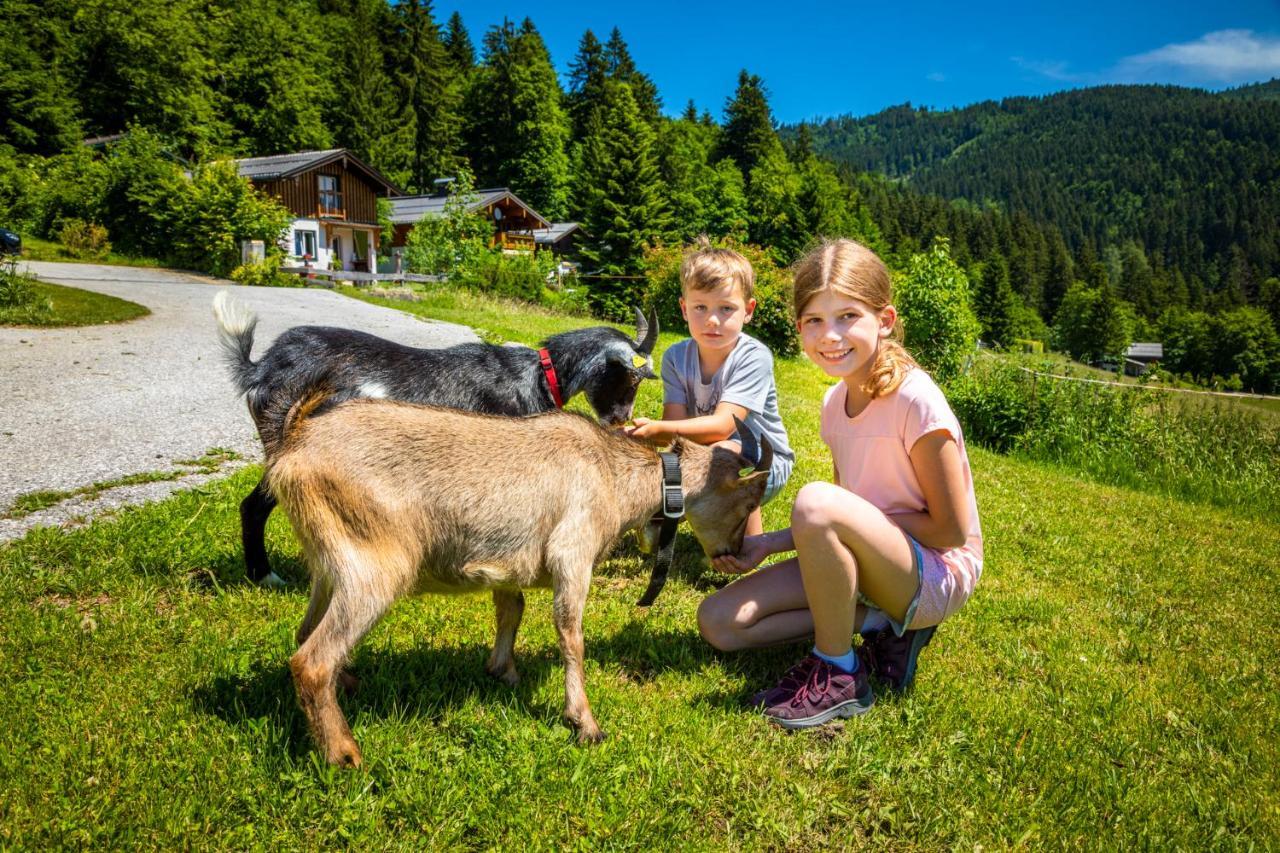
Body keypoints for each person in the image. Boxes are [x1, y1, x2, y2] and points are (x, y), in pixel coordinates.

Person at [696, 238, 983, 729]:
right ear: (799, 328)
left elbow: (950, 532)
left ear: (885, 320)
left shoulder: (916, 401)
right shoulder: (834, 405)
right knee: (720, 622)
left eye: (848, 316)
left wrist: (854, 526)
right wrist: (767, 544)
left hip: (931, 576)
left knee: (816, 500)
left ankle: (838, 672)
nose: (830, 335)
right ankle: (880, 628)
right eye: (814, 320)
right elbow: (842, 518)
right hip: (873, 564)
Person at [627, 240, 794, 535]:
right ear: (683, 308)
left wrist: (655, 429)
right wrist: (647, 433)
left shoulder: (753, 356)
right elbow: (675, 428)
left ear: (749, 310)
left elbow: (722, 426)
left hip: (766, 464)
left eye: (727, 308)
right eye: (700, 307)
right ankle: (667, 513)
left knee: (724, 453)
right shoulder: (676, 358)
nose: (712, 320)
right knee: (674, 458)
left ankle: (748, 541)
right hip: (707, 452)